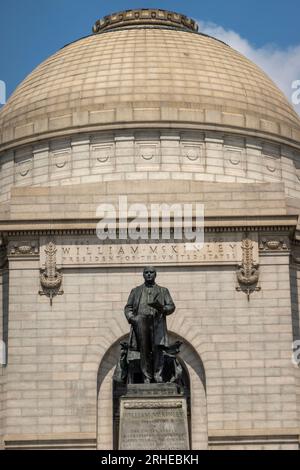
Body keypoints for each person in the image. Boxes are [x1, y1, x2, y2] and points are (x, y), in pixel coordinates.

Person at [124, 266, 176, 383]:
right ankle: (146, 376)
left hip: (157, 322)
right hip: (141, 322)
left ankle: (158, 375)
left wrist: (163, 308)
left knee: (158, 349)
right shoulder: (136, 291)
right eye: (146, 272)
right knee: (144, 350)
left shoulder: (163, 291)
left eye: (151, 272)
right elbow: (128, 307)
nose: (149, 274)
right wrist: (132, 318)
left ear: (155, 274)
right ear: (143, 275)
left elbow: (171, 306)